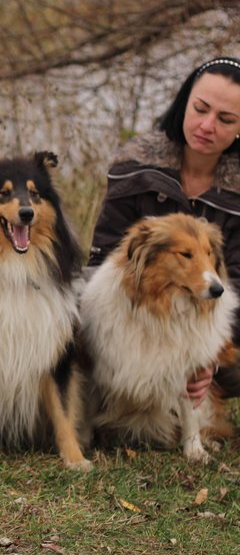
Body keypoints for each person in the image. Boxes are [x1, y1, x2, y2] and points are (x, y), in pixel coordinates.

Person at [87, 56, 240, 405]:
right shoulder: (133, 170)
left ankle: (199, 396)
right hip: (134, 323)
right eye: (200, 109)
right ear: (184, 103)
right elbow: (103, 258)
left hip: (206, 326)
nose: (207, 125)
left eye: (226, 119)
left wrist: (208, 358)